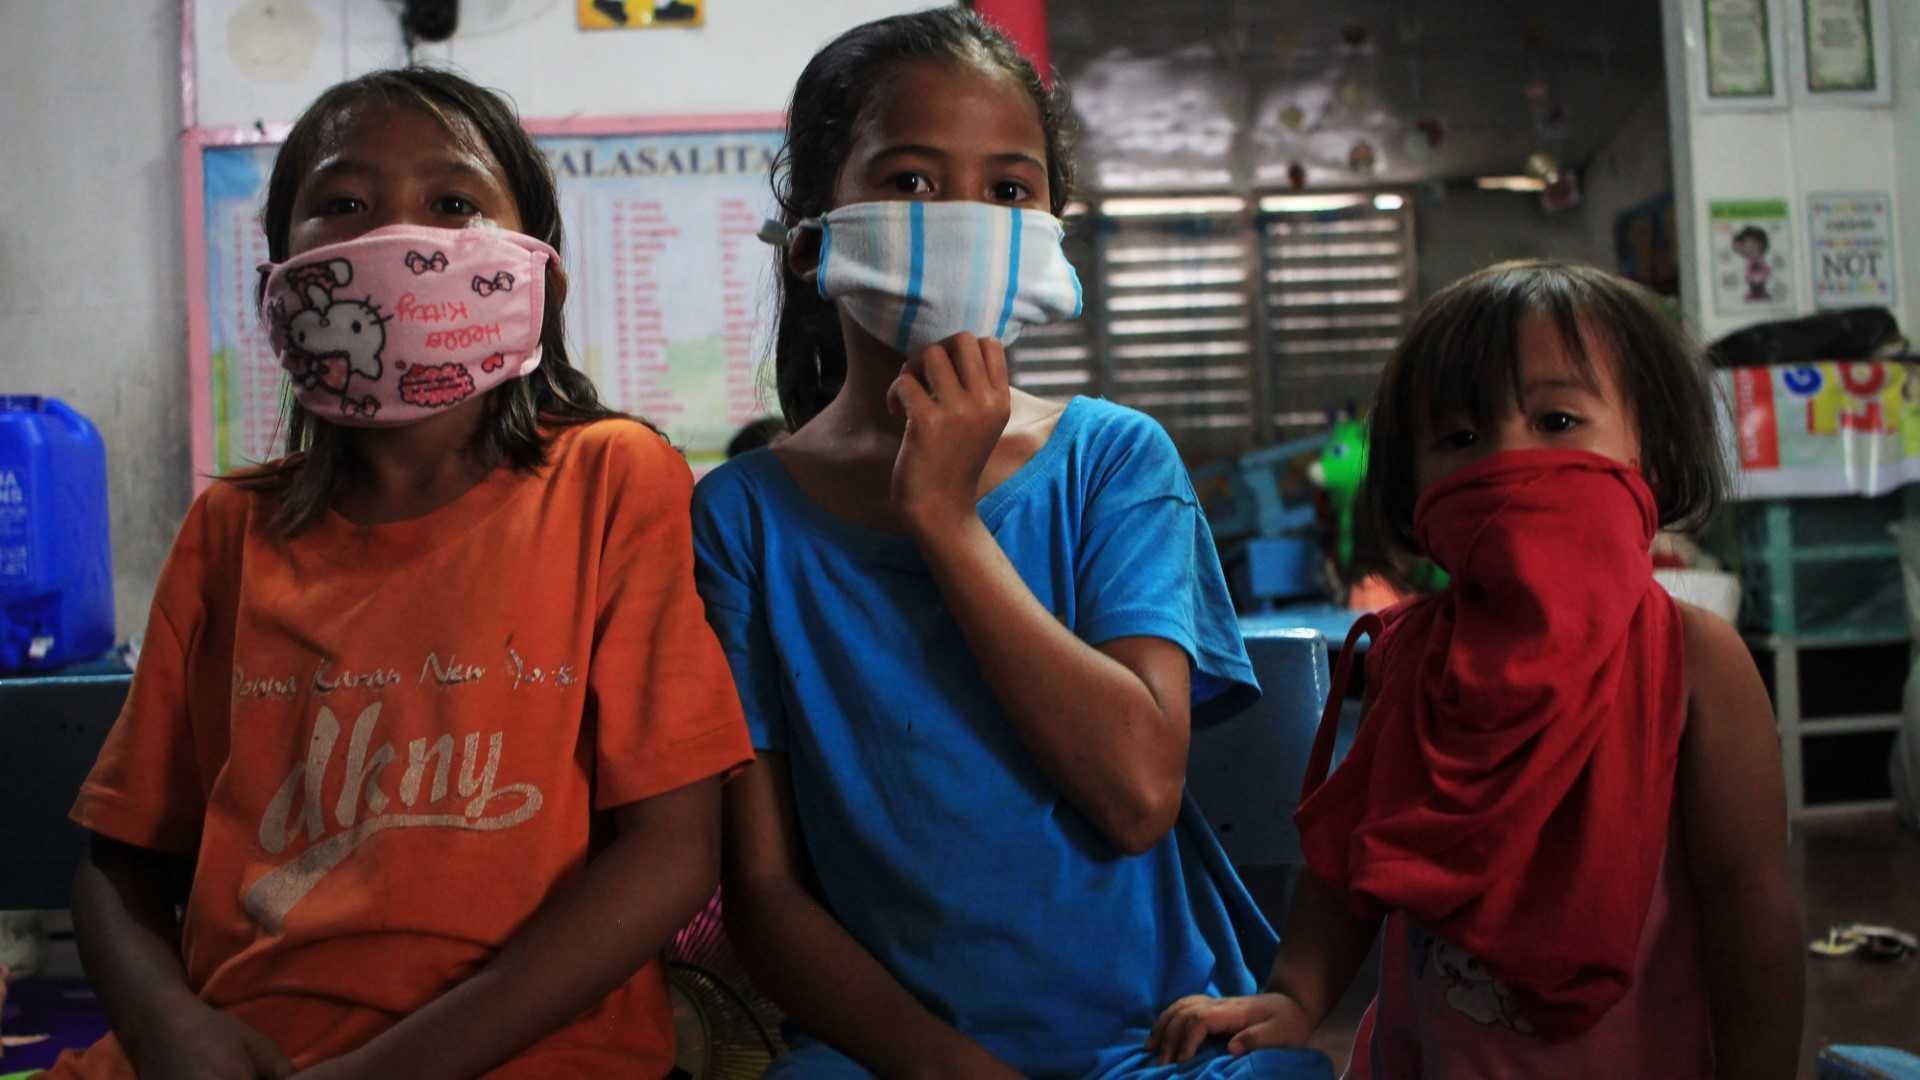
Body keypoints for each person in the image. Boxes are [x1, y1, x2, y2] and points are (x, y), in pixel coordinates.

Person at [52, 68, 751, 1079]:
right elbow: (118, 864)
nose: (395, 235)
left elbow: (673, 853)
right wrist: (172, 1030)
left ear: (538, 280)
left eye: (454, 202)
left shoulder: (612, 481)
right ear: (277, 290)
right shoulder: (230, 530)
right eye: (343, 203)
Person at [691, 9, 1333, 1079]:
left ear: (1049, 239)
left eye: (1008, 190)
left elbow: (1137, 794)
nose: (962, 218)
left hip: (1157, 1042)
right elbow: (764, 893)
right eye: (909, 180)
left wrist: (944, 520)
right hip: (897, 1060)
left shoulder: (1112, 461)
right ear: (813, 242)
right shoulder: (744, 517)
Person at [1150, 261, 1804, 1078]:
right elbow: (1352, 857)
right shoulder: (1409, 658)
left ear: (1654, 454)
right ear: (1411, 486)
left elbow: (1750, 907)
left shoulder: (1696, 660)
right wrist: (1295, 997)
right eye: (1460, 439)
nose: (1506, 463)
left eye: (1557, 420)